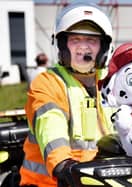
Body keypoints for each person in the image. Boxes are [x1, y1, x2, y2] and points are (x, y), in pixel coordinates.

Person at [19, 2, 114, 187]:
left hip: (107, 178)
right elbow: (50, 125)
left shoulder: (113, 81)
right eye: (75, 40)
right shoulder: (48, 82)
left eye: (92, 40)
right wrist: (62, 164)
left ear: (104, 48)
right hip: (52, 182)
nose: (83, 47)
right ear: (62, 45)